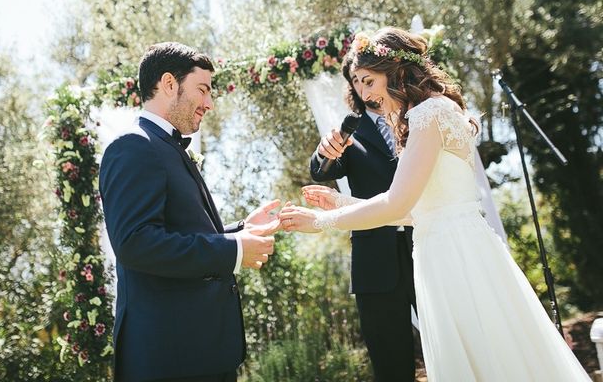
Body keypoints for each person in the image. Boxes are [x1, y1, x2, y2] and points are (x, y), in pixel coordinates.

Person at [280, 27, 590, 381]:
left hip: (454, 257)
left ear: (395, 71)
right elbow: (418, 211)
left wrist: (322, 221)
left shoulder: (427, 115)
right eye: (358, 84)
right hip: (449, 250)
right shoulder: (433, 111)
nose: (364, 94)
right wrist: (340, 200)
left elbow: (397, 205)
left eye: (369, 81)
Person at [100, 42, 281, 382]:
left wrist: (240, 229)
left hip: (200, 351)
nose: (209, 103)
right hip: (169, 358)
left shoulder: (166, 147)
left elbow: (179, 233)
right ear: (169, 84)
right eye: (203, 90)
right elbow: (135, 243)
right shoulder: (134, 146)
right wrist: (235, 249)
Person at [309, 51, 417, 382]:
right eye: (354, 81)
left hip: (426, 244)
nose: (361, 88)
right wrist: (327, 149)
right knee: (390, 361)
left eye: (365, 79)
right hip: (375, 259)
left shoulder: (418, 118)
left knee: (451, 340)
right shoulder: (348, 132)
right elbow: (319, 170)